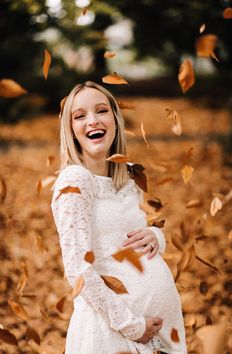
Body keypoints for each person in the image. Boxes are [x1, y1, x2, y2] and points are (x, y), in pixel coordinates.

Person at [51, 81, 187, 354]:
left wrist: (156, 237)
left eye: (101, 111)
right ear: (71, 129)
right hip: (112, 335)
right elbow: (77, 269)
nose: (93, 120)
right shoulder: (75, 180)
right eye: (80, 116)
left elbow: (131, 235)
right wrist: (132, 326)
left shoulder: (129, 175)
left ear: (114, 119)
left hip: (160, 335)